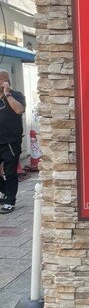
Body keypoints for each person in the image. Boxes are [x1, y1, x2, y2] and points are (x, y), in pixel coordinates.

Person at [0, 69, 26, 213]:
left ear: (6, 82)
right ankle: (6, 191)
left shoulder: (16, 95)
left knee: (10, 172)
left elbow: (19, 110)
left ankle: (10, 201)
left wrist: (7, 94)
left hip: (10, 142)